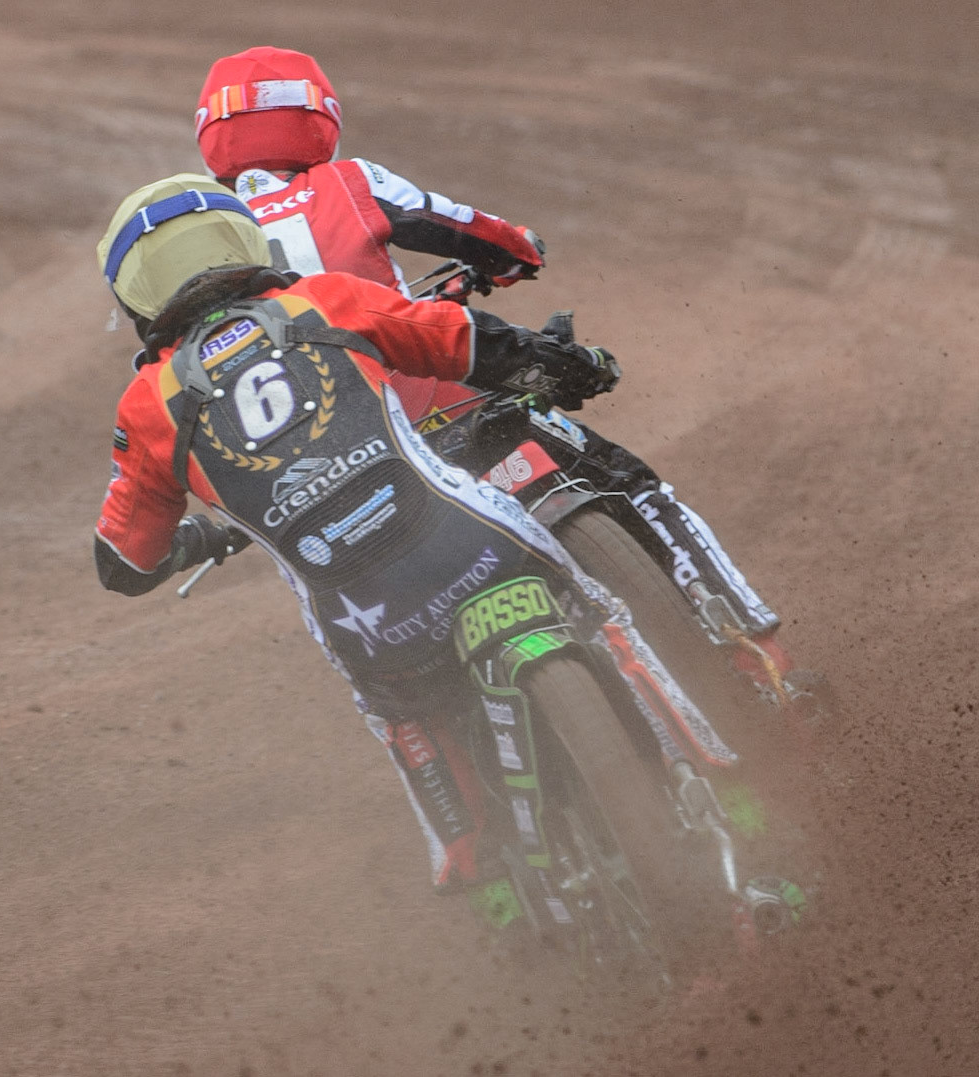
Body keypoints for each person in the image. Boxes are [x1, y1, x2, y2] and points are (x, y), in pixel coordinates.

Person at [92, 174, 726, 920]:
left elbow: (125, 563)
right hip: (473, 539)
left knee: (404, 716)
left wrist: (192, 537)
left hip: (371, 619)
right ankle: (708, 758)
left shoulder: (147, 405)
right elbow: (466, 343)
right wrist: (565, 365)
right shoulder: (320, 300)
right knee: (600, 610)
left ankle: (472, 862)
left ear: (136, 297)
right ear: (240, 239)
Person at [190, 46, 796, 695]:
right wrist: (515, 254)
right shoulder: (349, 181)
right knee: (632, 487)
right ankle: (755, 649)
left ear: (211, 133)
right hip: (445, 407)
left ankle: (459, 780)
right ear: (319, 116)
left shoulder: (205, 239)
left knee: (402, 690)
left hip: (349, 469)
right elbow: (469, 229)